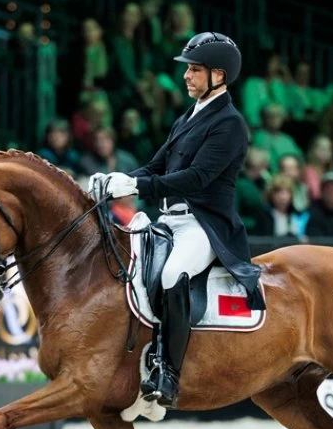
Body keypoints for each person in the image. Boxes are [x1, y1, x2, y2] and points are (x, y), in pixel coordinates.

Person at [88, 31, 262, 409]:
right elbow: (157, 166)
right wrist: (117, 181)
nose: (186, 76)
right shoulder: (189, 115)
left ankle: (168, 373)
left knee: (172, 275)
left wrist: (137, 184)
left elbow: (197, 178)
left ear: (219, 75)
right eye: (188, 70)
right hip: (169, 220)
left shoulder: (229, 123)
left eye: (195, 70)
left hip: (204, 224)